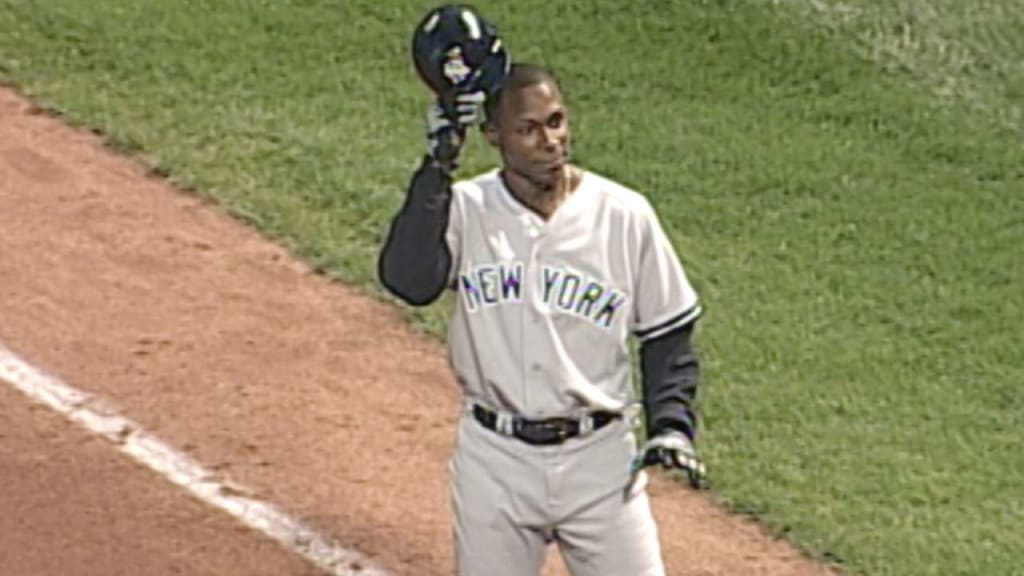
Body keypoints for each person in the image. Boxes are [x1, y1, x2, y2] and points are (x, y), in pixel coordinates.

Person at [378, 62, 706, 576]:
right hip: (495, 462)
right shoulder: (465, 209)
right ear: (494, 136)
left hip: (600, 465)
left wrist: (672, 426)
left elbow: (667, 331)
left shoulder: (623, 215)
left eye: (555, 121)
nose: (550, 141)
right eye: (528, 130)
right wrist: (437, 167)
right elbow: (409, 279)